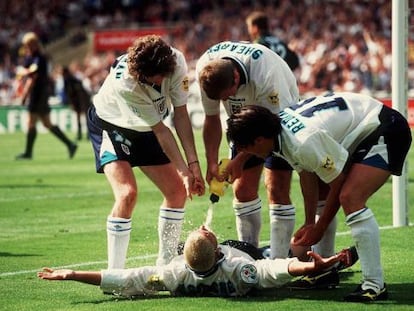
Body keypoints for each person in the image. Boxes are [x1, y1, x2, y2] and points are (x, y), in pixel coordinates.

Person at [225, 92, 412, 302]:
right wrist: (308, 222)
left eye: (244, 147)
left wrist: (319, 227)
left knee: (350, 197)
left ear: (259, 140)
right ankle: (324, 272)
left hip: (385, 127)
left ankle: (374, 285)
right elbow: (307, 173)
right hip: (362, 128)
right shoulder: (278, 134)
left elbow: (338, 181)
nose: (245, 152)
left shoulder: (302, 142)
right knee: (326, 190)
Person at [87, 35, 205, 269]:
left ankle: (165, 264)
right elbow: (162, 131)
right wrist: (184, 171)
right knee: (127, 194)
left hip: (146, 128)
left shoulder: (177, 62)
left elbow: (180, 114)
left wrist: (194, 165)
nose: (145, 81)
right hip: (112, 124)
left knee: (177, 193)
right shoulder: (127, 84)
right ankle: (115, 273)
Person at [195, 40, 300, 259]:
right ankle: (249, 254)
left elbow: (273, 126)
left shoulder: (265, 72)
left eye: (227, 95)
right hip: (244, 122)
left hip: (278, 118)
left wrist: (239, 160)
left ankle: (279, 262)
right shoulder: (205, 68)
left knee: (276, 187)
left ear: (235, 77)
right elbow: (212, 118)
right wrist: (212, 162)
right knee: (241, 189)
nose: (225, 100)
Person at [37, 225, 350, 298]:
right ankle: (327, 265)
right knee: (282, 251)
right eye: (208, 235)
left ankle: (325, 265)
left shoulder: (174, 274)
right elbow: (275, 270)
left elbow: (125, 277)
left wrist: (73, 274)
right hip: (251, 254)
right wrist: (311, 266)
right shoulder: (238, 268)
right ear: (217, 251)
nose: (204, 228)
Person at [15, 32, 78, 160]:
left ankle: (28, 153)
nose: (26, 47)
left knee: (31, 122)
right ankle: (70, 144)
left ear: (32, 44)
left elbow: (32, 77)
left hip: (38, 94)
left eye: (27, 45)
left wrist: (24, 95)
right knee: (47, 123)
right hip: (40, 94)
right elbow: (27, 73)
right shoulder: (31, 57)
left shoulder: (39, 58)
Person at [62, 66, 92, 140]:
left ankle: (81, 134)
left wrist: (71, 102)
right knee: (85, 116)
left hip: (79, 99)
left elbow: (68, 92)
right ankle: (87, 134)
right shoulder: (73, 79)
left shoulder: (67, 80)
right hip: (82, 99)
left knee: (80, 116)